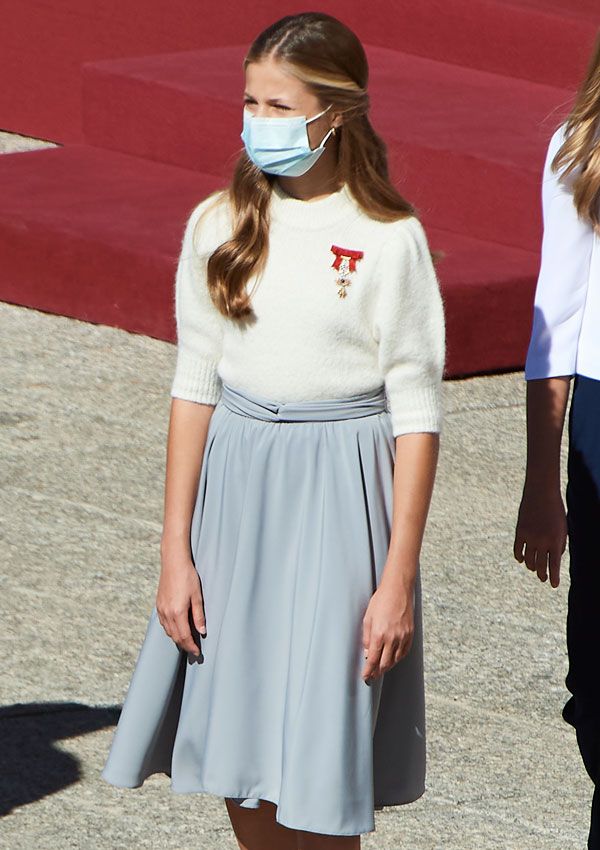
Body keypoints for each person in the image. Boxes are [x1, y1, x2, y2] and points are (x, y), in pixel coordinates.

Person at [102, 12, 445, 849]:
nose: (260, 121)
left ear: (335, 114)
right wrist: (174, 552)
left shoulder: (389, 240)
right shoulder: (217, 226)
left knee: (321, 758)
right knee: (242, 749)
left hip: (340, 499)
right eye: (250, 102)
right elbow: (195, 387)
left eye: (280, 106)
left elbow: (417, 414)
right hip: (240, 496)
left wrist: (397, 577)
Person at [514, 30, 600, 850]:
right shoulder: (581, 150)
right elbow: (557, 322)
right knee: (598, 683)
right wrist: (542, 485)